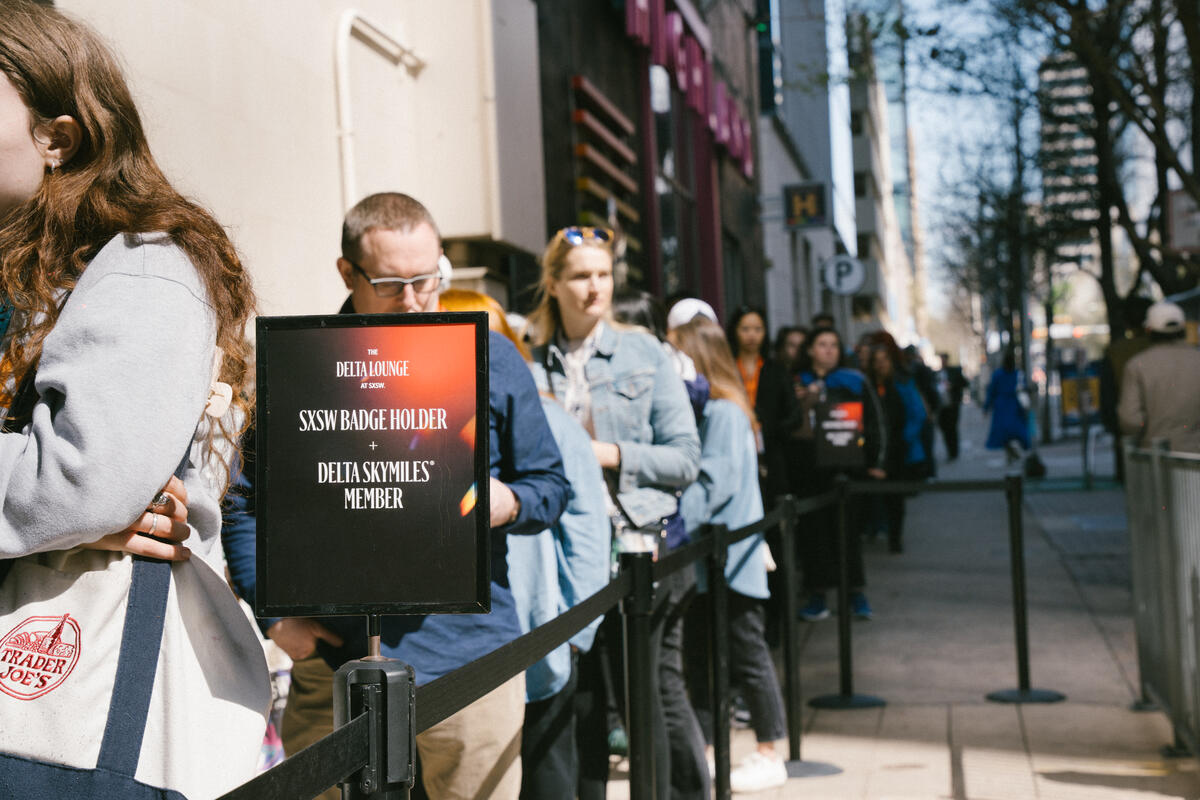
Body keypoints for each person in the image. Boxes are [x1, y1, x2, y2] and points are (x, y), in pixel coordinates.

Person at [0, 3, 268, 795]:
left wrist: (77, 503)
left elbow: (78, 480)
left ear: (59, 136)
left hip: (66, 717)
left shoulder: (142, 264)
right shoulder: (26, 267)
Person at [224, 193, 570, 800]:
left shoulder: (488, 355)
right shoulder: (305, 361)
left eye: (426, 280)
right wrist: (277, 617)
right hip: (332, 665)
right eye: (389, 283)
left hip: (470, 663)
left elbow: (550, 485)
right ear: (347, 273)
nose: (412, 300)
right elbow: (245, 502)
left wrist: (507, 501)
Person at [525, 226, 702, 800]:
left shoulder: (643, 350)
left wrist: (600, 453)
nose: (594, 287)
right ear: (553, 284)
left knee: (645, 695)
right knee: (579, 701)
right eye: (579, 275)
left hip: (638, 544)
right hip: (565, 553)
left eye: (603, 274)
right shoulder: (530, 360)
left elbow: (685, 459)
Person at [442, 288, 610, 800]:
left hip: (543, 633)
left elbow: (585, 531)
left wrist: (577, 631)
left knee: (548, 772)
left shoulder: (551, 419)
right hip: (476, 641)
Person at [670, 317, 790, 794]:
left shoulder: (721, 412)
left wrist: (669, 525)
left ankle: (769, 751)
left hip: (729, 560)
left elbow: (712, 486)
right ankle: (710, 750)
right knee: (710, 657)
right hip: (721, 559)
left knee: (744, 654)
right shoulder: (723, 409)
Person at [790, 326, 887, 621]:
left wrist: (876, 461)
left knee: (848, 534)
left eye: (833, 344)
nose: (828, 350)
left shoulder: (855, 381)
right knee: (814, 535)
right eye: (822, 344)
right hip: (809, 473)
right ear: (810, 350)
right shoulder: (797, 383)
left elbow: (875, 422)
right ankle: (817, 593)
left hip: (848, 471)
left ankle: (855, 593)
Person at [726, 306, 793, 506]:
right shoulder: (726, 367)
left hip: (771, 454)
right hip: (733, 448)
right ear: (735, 331)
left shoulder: (776, 370)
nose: (751, 335)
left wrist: (769, 430)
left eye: (757, 329)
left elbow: (793, 413)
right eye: (745, 329)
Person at [866, 342, 928, 554]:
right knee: (877, 497)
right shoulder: (869, 387)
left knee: (895, 499)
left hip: (899, 450)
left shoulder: (902, 383)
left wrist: (904, 439)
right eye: (877, 361)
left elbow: (917, 414)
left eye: (885, 360)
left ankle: (895, 536)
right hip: (876, 451)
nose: (881, 365)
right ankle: (877, 529)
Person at [1118, 301, 1200, 453]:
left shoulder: (1137, 365)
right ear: (1183, 328)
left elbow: (1130, 420)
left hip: (1157, 459)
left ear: (1148, 330)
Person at [983, 349, 1030, 463]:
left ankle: (1009, 452)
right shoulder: (1017, 374)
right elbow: (1023, 388)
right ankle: (1012, 452)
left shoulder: (998, 374)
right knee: (1015, 430)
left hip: (1001, 406)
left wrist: (986, 407)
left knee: (1002, 432)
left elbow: (991, 391)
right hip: (1014, 405)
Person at [936, 353, 968, 461]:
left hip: (953, 405)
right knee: (945, 429)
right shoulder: (938, 373)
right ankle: (950, 451)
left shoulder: (954, 371)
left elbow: (964, 383)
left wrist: (953, 385)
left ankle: (954, 452)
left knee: (952, 429)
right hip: (942, 407)